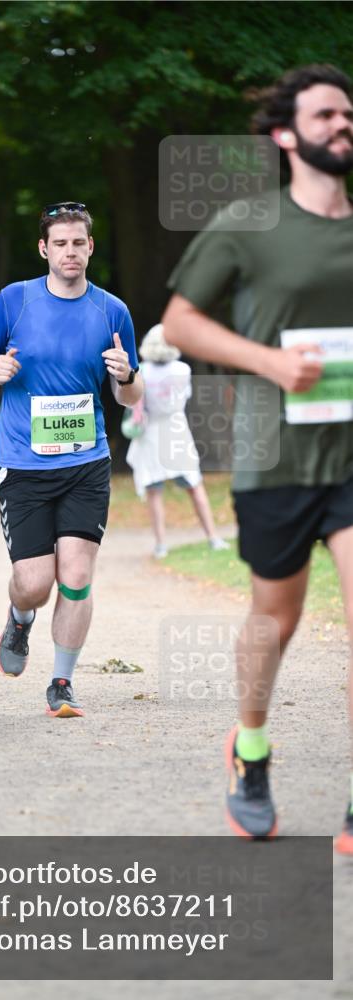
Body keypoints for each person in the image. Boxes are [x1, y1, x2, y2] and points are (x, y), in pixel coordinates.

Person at [162, 64, 353, 852]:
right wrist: (269, 363)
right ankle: (248, 746)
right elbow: (178, 324)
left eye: (348, 114)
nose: (342, 124)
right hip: (274, 458)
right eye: (324, 115)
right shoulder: (250, 223)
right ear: (286, 135)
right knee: (274, 620)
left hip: (351, 457)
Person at [0, 201, 142, 718]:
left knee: (78, 573)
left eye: (79, 243)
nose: (71, 252)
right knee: (35, 582)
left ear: (91, 247)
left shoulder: (113, 311)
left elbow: (130, 397)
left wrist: (127, 375)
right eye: (60, 243)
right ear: (45, 249)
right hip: (24, 463)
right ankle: (20, 618)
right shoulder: (13, 300)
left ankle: (62, 680)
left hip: (86, 462)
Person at [125, 324, 230, 558]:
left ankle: (161, 544)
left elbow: (136, 403)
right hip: (176, 429)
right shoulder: (183, 369)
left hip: (150, 432)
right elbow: (186, 397)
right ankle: (213, 537)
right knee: (195, 485)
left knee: (154, 490)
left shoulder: (141, 371)